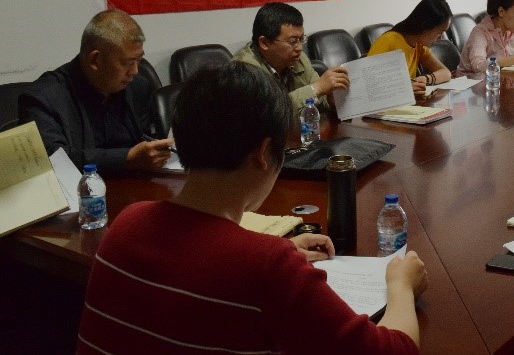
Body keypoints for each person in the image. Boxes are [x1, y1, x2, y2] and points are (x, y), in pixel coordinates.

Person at [76, 61, 427, 354]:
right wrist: (401, 286)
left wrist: (274, 253)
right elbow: (391, 350)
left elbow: (200, 265)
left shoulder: (127, 223)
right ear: (262, 152)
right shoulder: (267, 267)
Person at [18, 9, 173, 175]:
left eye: (139, 60)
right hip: (79, 189)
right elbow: (54, 161)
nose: (135, 71)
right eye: (128, 62)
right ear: (95, 60)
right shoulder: (43, 99)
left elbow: (147, 139)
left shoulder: (138, 87)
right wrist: (125, 159)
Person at [233, 2, 350, 111]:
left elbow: (319, 98)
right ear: (264, 43)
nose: (300, 48)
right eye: (292, 41)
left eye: (301, 39)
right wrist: (316, 89)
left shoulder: (298, 58)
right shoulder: (242, 70)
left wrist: (331, 99)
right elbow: (267, 113)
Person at [367, 0, 454, 96]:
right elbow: (369, 86)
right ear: (426, 27)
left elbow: (446, 73)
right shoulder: (388, 41)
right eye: (440, 32)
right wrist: (404, 89)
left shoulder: (419, 46)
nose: (441, 38)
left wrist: (425, 79)